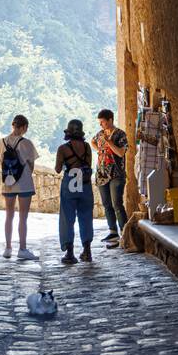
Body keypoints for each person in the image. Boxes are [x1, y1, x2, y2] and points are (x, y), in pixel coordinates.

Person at [0, 115, 38, 260]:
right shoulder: (26, 143)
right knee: (23, 217)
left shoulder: (1, 142)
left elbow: (1, 160)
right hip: (24, 183)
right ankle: (22, 248)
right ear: (23, 127)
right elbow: (31, 163)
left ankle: (8, 248)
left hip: (8, 183)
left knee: (9, 216)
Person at [55, 119, 95, 265]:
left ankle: (69, 253)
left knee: (67, 218)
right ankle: (87, 251)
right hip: (85, 185)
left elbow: (58, 169)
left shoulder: (63, 148)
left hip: (70, 185)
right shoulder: (87, 147)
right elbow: (89, 164)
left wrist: (67, 163)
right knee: (86, 217)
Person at [92, 108, 129, 248]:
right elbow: (92, 141)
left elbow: (120, 153)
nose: (101, 125)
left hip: (116, 174)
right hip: (101, 174)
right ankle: (113, 232)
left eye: (103, 122)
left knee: (117, 204)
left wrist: (109, 143)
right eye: (100, 122)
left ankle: (125, 233)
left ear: (110, 120)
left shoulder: (120, 134)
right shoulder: (100, 134)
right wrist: (99, 149)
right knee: (107, 204)